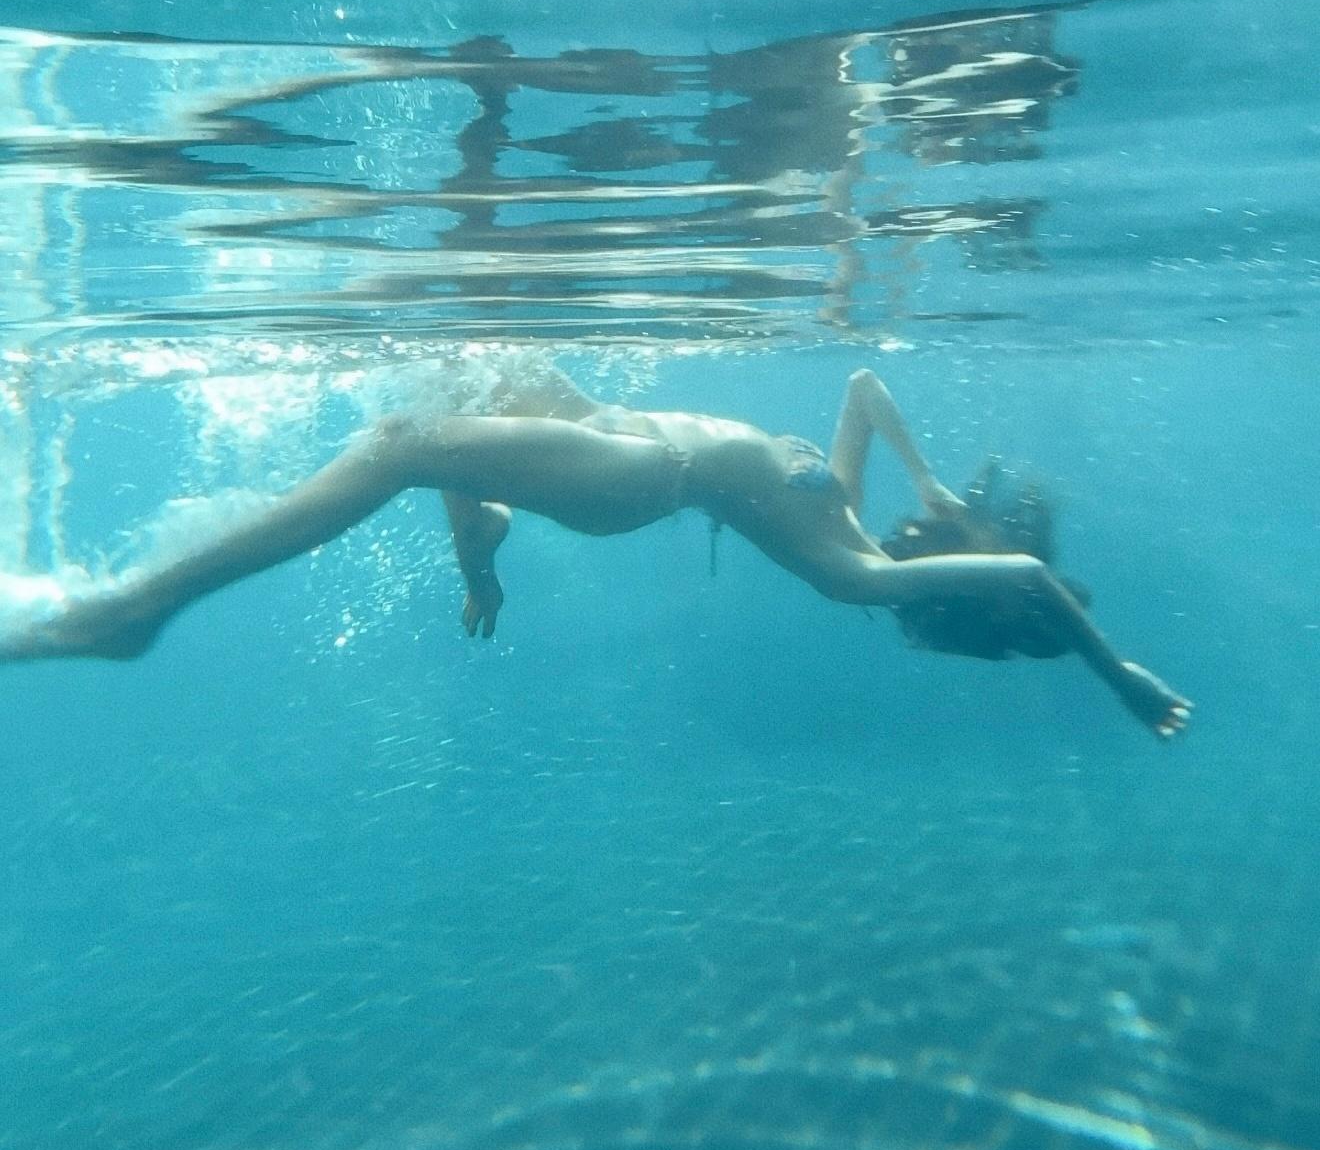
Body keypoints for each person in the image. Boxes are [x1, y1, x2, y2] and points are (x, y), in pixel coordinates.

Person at [0, 366, 1191, 739]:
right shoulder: (858, 515)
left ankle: (135, 610)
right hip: (611, 425)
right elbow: (865, 384)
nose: (955, 517)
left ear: (969, 595)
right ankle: (485, 538)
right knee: (462, 377)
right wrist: (924, 472)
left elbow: (1028, 578)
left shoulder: (859, 577)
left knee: (403, 445)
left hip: (639, 477)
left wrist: (1119, 673)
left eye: (966, 523)